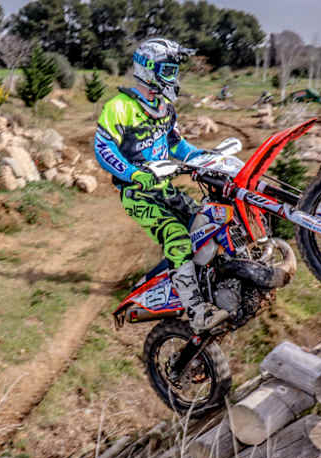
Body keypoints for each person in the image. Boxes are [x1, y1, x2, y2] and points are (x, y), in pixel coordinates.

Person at [94, 38, 229, 334]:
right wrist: (132, 173)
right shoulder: (119, 107)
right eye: (168, 70)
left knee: (208, 225)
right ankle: (196, 312)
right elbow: (103, 148)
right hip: (138, 193)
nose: (173, 77)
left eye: (174, 70)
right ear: (148, 69)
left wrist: (208, 158)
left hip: (165, 188)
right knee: (177, 236)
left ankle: (217, 288)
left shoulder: (164, 107)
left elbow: (176, 145)